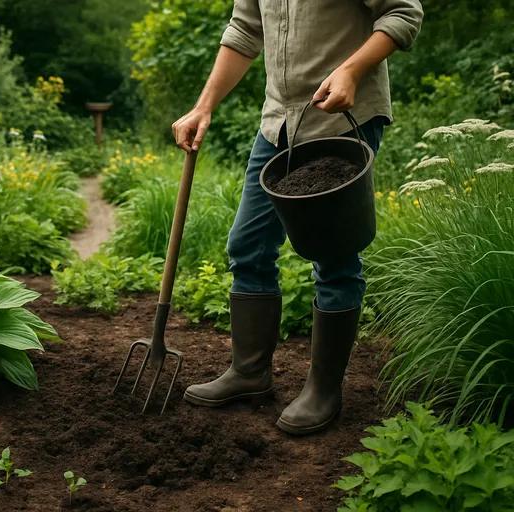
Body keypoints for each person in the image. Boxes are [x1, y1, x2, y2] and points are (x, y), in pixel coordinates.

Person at [172, 0, 423, 435]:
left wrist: (352, 70)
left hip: (341, 122)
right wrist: (204, 105)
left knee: (334, 259)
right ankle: (250, 372)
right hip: (278, 126)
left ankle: (324, 391)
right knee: (247, 246)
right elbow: (245, 30)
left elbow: (404, 13)